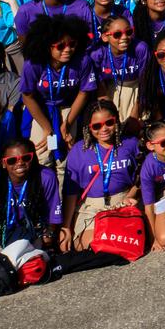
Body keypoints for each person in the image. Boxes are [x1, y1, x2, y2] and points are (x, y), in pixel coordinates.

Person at [60, 101, 143, 249]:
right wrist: (66, 227)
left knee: (124, 243)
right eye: (96, 126)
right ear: (89, 128)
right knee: (92, 246)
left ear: (116, 121)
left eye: (109, 123)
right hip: (92, 208)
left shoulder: (131, 143)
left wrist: (132, 195)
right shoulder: (78, 150)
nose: (103, 129)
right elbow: (70, 192)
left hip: (124, 202)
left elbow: (143, 176)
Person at [0, 137, 65, 255]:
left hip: (33, 226)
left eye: (26, 158)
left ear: (33, 158)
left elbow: (53, 215)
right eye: (12, 160)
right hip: (0, 227)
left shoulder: (46, 177)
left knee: (30, 264)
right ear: (4, 163)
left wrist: (49, 235)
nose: (19, 163)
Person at [19, 16, 95, 163]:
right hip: (41, 108)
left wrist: (67, 123)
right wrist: (47, 128)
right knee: (42, 155)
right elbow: (27, 96)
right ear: (47, 46)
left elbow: (84, 92)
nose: (68, 50)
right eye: (60, 46)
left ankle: (63, 185)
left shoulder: (82, 60)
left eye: (72, 44)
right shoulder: (34, 64)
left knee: (66, 155)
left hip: (69, 107)